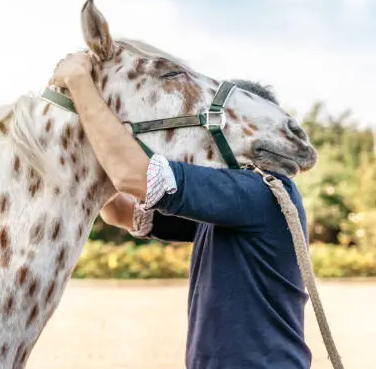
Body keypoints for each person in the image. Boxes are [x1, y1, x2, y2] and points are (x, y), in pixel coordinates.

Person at [49, 52, 312, 369]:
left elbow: (133, 175)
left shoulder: (259, 192)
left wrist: (80, 84)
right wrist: (95, 131)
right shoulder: (226, 210)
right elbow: (119, 211)